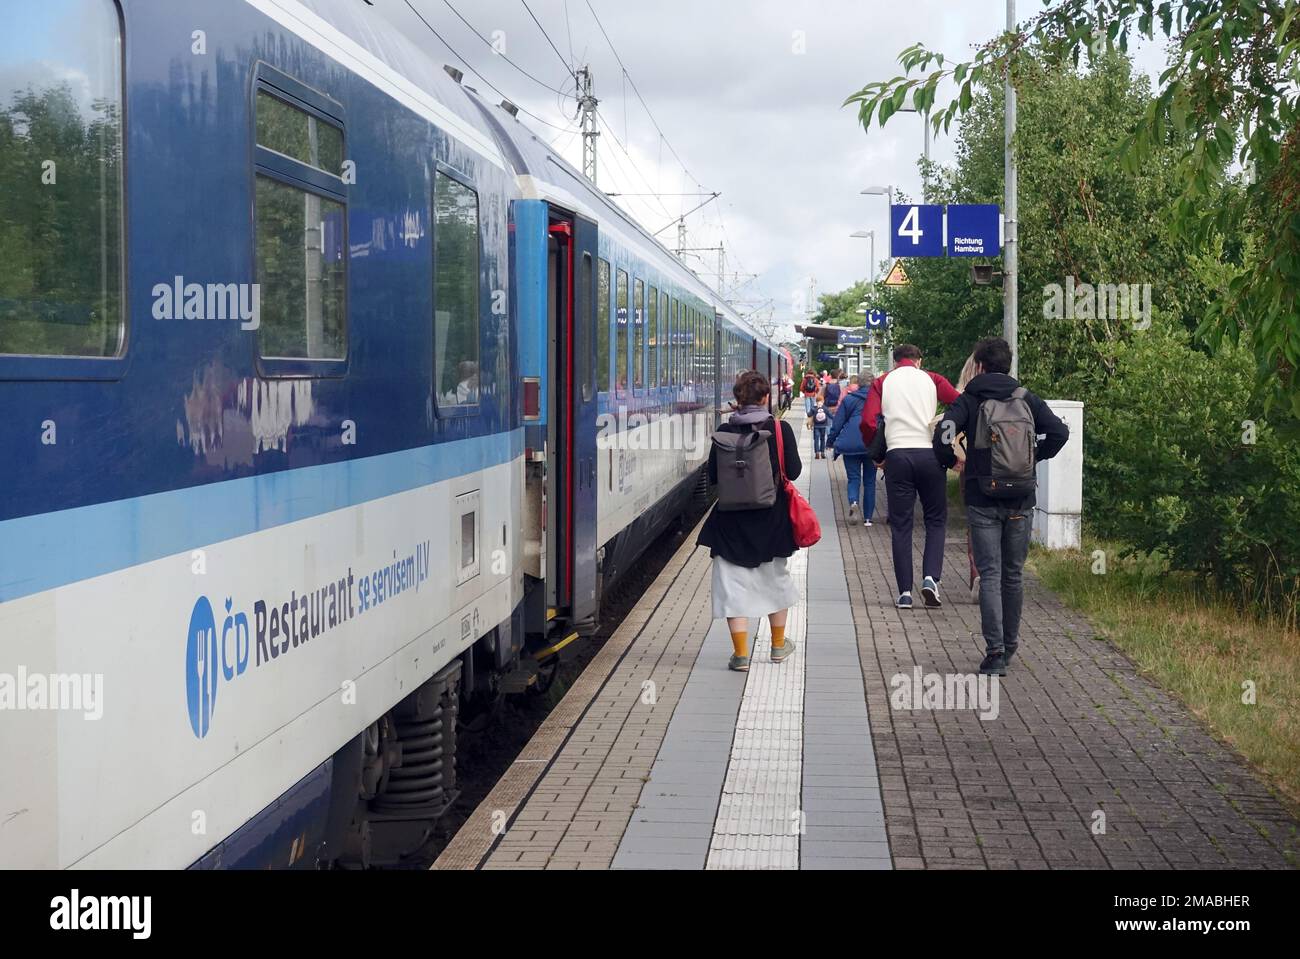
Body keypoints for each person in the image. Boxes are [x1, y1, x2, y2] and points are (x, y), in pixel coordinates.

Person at [933, 337, 1069, 676]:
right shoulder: (1027, 399)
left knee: (990, 573)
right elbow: (1060, 433)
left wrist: (952, 461)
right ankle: (1010, 647)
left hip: (982, 498)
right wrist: (1033, 458)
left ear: (978, 366)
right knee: (1013, 574)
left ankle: (994, 652)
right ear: (1008, 365)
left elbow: (942, 436)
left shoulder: (969, 401)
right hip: (1021, 497)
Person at [699, 370, 802, 672]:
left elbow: (714, 477)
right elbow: (793, 471)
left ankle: (741, 654)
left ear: (737, 399)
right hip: (772, 519)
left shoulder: (723, 430)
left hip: (730, 522)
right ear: (767, 397)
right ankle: (779, 645)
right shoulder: (780, 429)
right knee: (775, 580)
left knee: (732, 585)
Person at [860, 344, 960, 610]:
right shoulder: (933, 378)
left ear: (895, 362)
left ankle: (905, 592)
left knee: (901, 526)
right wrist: (947, 439)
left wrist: (877, 454)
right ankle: (930, 579)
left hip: (898, 457)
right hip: (930, 456)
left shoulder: (883, 381)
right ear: (919, 360)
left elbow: (868, 421)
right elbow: (959, 405)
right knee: (936, 520)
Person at [827, 371, 876, 526]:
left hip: (850, 444)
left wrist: (830, 442)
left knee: (853, 479)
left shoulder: (849, 400)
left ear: (859, 383)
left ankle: (854, 503)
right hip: (872, 444)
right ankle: (868, 518)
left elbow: (837, 423)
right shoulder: (878, 400)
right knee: (869, 482)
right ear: (873, 383)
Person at [811, 394, 831, 459]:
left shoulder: (814, 408)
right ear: (823, 401)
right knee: (822, 439)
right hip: (823, 426)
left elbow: (809, 414)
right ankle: (822, 453)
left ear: (816, 401)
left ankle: (817, 453)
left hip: (816, 426)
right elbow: (830, 415)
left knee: (816, 440)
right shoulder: (825, 408)